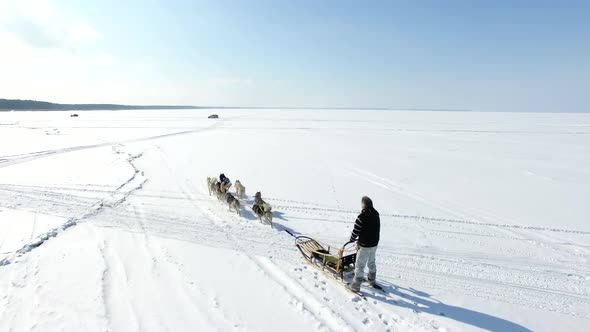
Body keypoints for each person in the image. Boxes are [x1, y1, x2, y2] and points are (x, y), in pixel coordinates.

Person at [348, 196, 380, 292]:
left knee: (359, 265)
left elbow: (356, 230)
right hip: (374, 244)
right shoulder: (376, 214)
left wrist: (352, 239)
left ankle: (355, 286)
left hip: (364, 245)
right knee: (371, 262)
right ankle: (372, 280)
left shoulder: (362, 217)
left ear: (364, 204)